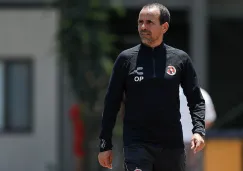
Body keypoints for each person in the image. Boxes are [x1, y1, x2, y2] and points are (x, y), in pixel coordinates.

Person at [98, 3, 206, 171]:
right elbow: (112, 102)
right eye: (140, 22)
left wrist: (198, 131)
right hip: (137, 144)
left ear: (164, 27)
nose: (143, 26)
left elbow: (195, 99)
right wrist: (105, 144)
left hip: (172, 145)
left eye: (149, 22)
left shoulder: (180, 59)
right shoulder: (125, 59)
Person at [179, 86, 216, 171]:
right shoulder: (202, 94)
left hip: (174, 142)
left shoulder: (169, 93)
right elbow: (210, 119)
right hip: (196, 142)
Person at [69, 104, 85, 171]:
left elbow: (79, 136)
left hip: (78, 146)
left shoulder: (78, 123)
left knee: (78, 165)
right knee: (78, 164)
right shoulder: (78, 122)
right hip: (78, 145)